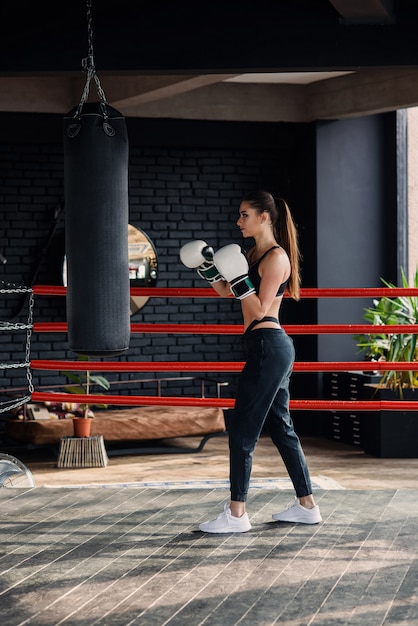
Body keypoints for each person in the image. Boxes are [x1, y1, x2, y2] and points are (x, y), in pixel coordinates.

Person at [179, 191, 321, 533]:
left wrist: (239, 278)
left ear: (264, 217)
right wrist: (208, 267)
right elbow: (226, 292)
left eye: (244, 215)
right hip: (266, 346)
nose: (238, 221)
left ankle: (237, 514)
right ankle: (307, 507)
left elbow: (259, 309)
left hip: (268, 345)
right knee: (282, 428)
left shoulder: (276, 258)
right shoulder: (253, 254)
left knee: (242, 429)